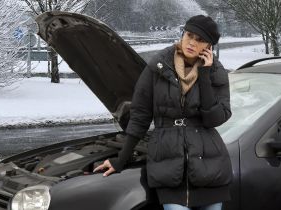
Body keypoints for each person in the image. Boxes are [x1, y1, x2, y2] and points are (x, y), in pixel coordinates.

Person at [94, 15, 233, 210]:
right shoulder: (158, 66)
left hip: (209, 168)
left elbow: (215, 119)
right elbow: (140, 115)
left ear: (209, 47)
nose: (192, 42)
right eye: (189, 35)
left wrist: (204, 75)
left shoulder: (216, 71)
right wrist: (121, 159)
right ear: (183, 34)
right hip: (169, 167)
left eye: (200, 40)